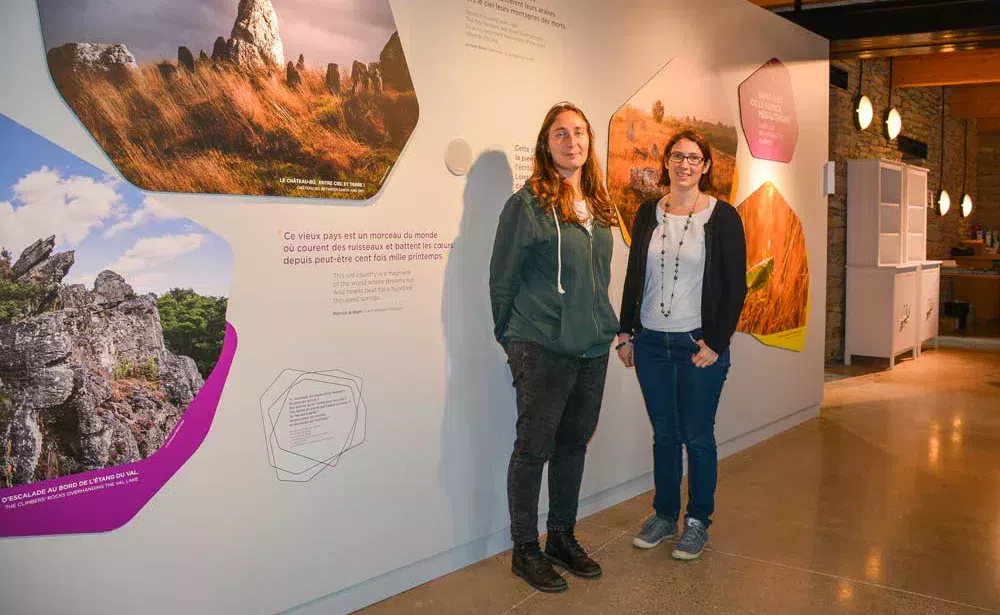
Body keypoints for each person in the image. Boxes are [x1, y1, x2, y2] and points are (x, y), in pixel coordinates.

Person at [489, 102, 619, 593]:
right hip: (541, 347)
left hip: (591, 349)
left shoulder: (600, 206)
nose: (572, 142)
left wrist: (607, 327)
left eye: (580, 133)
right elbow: (501, 281)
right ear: (546, 145)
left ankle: (562, 536)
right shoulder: (527, 206)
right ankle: (526, 549)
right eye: (561, 134)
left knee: (573, 445)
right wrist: (515, 339)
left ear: (589, 142)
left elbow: (599, 279)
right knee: (532, 449)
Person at [615, 130, 747, 560]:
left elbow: (735, 287)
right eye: (677, 157)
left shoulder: (722, 217)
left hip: (698, 345)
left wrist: (717, 342)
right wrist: (625, 331)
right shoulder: (647, 213)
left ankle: (697, 522)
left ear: (706, 166)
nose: (685, 165)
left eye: (694, 158)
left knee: (697, 436)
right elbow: (636, 274)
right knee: (665, 435)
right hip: (651, 341)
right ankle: (664, 516)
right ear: (666, 163)